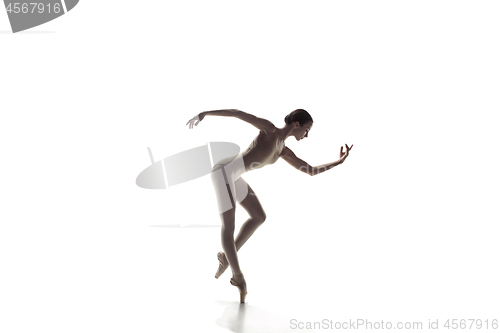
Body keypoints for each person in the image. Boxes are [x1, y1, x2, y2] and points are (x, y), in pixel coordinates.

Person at [186, 109, 353, 303]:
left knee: (259, 216)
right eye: (307, 130)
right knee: (229, 227)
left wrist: (338, 162)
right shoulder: (270, 131)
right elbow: (238, 114)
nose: (306, 135)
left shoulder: (282, 149)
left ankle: (226, 257)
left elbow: (310, 170)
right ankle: (238, 278)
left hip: (234, 176)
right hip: (224, 172)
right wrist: (204, 113)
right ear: (297, 124)